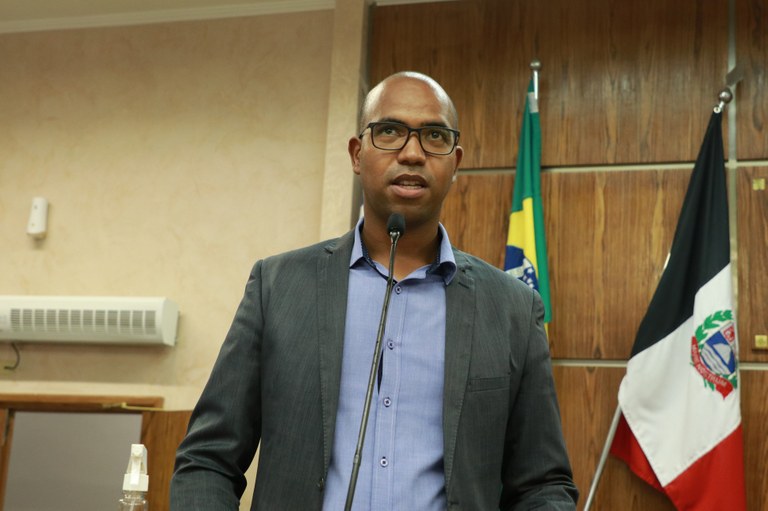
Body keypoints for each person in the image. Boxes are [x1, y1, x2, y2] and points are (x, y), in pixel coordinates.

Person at [170, 71, 578, 510]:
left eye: (434, 136)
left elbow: (542, 486)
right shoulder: (279, 287)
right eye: (389, 131)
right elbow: (208, 461)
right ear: (356, 153)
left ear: (455, 163)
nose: (413, 153)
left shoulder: (512, 309)